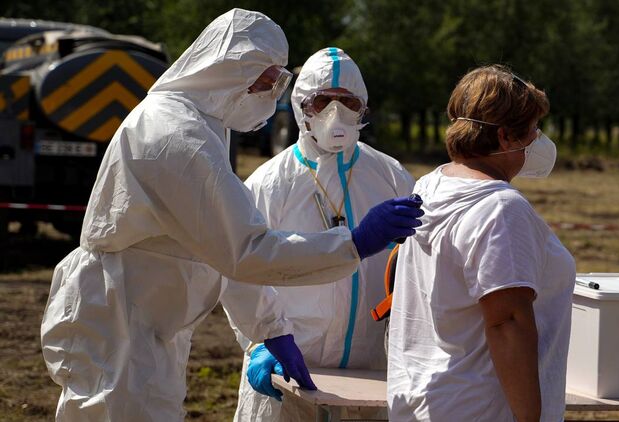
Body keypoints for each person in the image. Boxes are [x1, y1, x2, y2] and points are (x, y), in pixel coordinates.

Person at [40, 10, 423, 422]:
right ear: (227, 69)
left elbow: (219, 250)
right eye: (265, 81)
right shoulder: (175, 136)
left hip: (144, 321)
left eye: (277, 82)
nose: (270, 94)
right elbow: (246, 250)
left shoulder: (200, 126)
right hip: (121, 326)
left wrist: (270, 327)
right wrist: (353, 244)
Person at [226, 47, 415, 421]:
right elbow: (237, 270)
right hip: (288, 370)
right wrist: (257, 343)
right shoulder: (269, 183)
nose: (335, 113)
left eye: (348, 102)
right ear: (301, 106)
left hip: (369, 375)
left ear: (363, 108)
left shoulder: (390, 176)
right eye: (323, 101)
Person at [387, 65, 576, 422]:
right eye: (532, 129)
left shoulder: (429, 185)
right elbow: (507, 322)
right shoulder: (500, 208)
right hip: (483, 410)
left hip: (427, 402)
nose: (538, 140)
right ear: (505, 137)